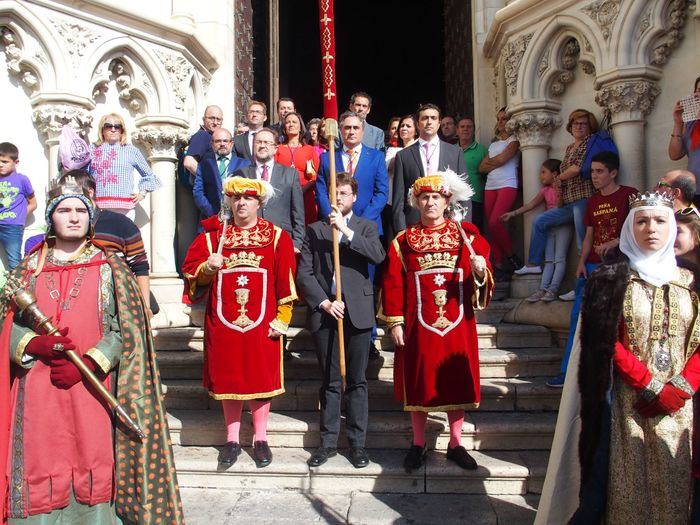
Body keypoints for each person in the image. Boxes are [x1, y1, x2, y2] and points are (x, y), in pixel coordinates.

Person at [0, 179, 183, 524]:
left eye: (81, 210)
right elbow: (4, 324)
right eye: (65, 210)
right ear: (51, 218)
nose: (73, 217)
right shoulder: (27, 268)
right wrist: (31, 344)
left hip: (91, 387)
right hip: (37, 387)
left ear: (91, 217)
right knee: (40, 454)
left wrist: (89, 362)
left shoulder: (111, 267)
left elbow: (125, 329)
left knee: (92, 456)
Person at [535, 191, 700, 524]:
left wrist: (680, 389)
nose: (650, 228)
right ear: (629, 228)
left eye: (659, 221)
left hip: (683, 406)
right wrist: (648, 385)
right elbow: (603, 341)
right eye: (641, 221)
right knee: (626, 490)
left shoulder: (694, 281)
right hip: (626, 404)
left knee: (677, 493)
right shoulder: (609, 279)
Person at [380, 170, 494, 473]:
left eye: (436, 197)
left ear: (447, 201)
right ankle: (418, 443)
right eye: (424, 197)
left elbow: (480, 280)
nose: (430, 202)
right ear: (416, 202)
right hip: (419, 324)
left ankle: (456, 442)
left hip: (457, 323)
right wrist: (395, 322)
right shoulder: (403, 241)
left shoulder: (466, 236)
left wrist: (480, 270)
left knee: (455, 380)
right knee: (420, 382)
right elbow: (393, 283)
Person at [181, 177, 297, 468]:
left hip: (262, 323)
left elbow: (286, 283)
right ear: (229, 202)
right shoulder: (212, 238)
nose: (242, 203)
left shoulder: (277, 237)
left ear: (260, 203)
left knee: (260, 380)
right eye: (236, 198)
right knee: (229, 380)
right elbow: (192, 277)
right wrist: (208, 268)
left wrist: (283, 320)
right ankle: (232, 439)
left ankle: (260, 438)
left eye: (248, 198)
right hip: (223, 325)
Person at [297, 173, 385, 469]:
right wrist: (323, 302)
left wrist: (346, 232)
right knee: (331, 381)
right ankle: (328, 443)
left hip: (358, 311)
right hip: (326, 312)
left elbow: (377, 256)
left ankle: (358, 445)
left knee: (357, 381)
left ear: (354, 197)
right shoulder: (314, 230)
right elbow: (305, 273)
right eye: (335, 193)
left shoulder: (366, 227)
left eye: (345, 193)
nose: (339, 198)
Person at [547, 151, 638, 388]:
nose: (594, 176)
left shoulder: (629, 195)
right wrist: (580, 262)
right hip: (591, 266)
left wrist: (617, 242)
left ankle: (616, 373)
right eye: (593, 171)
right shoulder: (593, 201)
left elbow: (637, 229)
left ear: (613, 173)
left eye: (599, 171)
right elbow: (588, 235)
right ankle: (568, 372)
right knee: (579, 318)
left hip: (618, 266)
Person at [515, 108, 617, 284]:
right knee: (540, 221)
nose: (579, 127)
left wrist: (558, 178)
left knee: (582, 243)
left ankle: (584, 283)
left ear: (589, 127)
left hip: (583, 200)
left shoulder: (588, 142)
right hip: (568, 203)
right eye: (576, 123)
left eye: (583, 124)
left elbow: (576, 169)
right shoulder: (570, 147)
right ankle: (534, 264)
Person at [501, 159, 571, 302]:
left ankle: (553, 289)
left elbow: (560, 205)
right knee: (549, 259)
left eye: (544, 172)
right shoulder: (545, 190)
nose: (541, 176)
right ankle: (542, 289)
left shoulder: (564, 187)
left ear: (555, 173)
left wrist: (559, 190)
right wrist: (513, 213)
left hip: (562, 224)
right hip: (548, 225)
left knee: (559, 258)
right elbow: (531, 204)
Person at [392, 104, 467, 232]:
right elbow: (398, 199)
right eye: (425, 118)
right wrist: (401, 231)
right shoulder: (403, 156)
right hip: (413, 224)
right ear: (418, 123)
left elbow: (464, 195)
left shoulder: (455, 153)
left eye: (433, 118)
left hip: (448, 223)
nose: (429, 122)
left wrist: (464, 227)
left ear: (439, 123)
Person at [316, 111, 389, 237]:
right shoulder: (327, 158)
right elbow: (321, 191)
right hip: (334, 225)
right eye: (347, 127)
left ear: (362, 130)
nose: (351, 131)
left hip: (367, 226)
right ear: (340, 130)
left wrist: (362, 222)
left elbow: (381, 193)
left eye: (356, 128)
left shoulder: (376, 157)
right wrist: (331, 216)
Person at [234, 127, 305, 252]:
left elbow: (298, 212)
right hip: (250, 240)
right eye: (258, 142)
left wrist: (297, 243)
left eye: (267, 142)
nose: (262, 146)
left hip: (282, 241)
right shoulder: (241, 174)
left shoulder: (290, 174)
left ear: (275, 149)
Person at [88, 112, 161, 220]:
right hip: (98, 207)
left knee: (124, 236)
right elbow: (82, 172)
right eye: (108, 126)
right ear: (102, 130)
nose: (113, 129)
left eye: (117, 126)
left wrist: (142, 194)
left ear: (122, 131)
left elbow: (149, 175)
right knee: (99, 237)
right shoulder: (92, 149)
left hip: (125, 209)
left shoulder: (131, 150)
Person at [479, 107, 522, 276]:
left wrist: (493, 162)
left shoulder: (515, 140)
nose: (500, 122)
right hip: (490, 185)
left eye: (504, 118)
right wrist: (495, 162)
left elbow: (504, 159)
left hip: (508, 184)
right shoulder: (494, 143)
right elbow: (481, 167)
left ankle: (512, 257)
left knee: (495, 223)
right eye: (499, 119)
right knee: (491, 227)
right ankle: (498, 263)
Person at [193, 127, 251, 219]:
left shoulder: (245, 164)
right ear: (212, 144)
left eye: (225, 141)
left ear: (231, 144)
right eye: (218, 141)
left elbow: (249, 192)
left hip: (238, 219)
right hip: (210, 219)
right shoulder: (203, 165)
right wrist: (213, 214)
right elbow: (198, 192)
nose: (222, 144)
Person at [274, 112, 321, 225]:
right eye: (288, 122)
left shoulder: (309, 149)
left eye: (294, 122)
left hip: (306, 195)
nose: (291, 124)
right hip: (283, 196)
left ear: (300, 127)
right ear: (284, 128)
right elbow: (273, 172)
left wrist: (301, 190)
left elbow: (317, 175)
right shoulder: (278, 148)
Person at [0, 142, 36, 269]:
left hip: (12, 227)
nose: (0, 165)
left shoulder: (21, 179)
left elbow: (33, 203)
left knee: (14, 262)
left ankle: (16, 288)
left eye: (5, 161)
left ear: (16, 162)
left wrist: (19, 216)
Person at [384, 115, 419, 243]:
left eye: (408, 126)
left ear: (416, 130)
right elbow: (389, 169)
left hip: (414, 205)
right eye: (401, 126)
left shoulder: (421, 150)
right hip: (393, 203)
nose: (403, 128)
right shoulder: (393, 151)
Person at [668, 75, 700, 194]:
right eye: (696, 91)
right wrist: (678, 123)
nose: (696, 95)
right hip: (695, 191)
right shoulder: (691, 123)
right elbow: (675, 154)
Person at [457, 117, 488, 232]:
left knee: (474, 233)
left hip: (475, 199)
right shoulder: (451, 150)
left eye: (469, 127)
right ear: (457, 131)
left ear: (474, 131)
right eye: (462, 127)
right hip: (454, 199)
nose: (465, 129)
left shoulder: (482, 150)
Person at [183, 104, 224, 176]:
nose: (215, 122)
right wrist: (210, 181)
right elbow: (189, 163)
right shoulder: (202, 135)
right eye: (211, 118)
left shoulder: (211, 137)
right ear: (204, 119)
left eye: (218, 119)